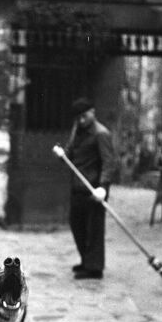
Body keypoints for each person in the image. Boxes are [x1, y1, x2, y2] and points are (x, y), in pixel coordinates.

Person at [65, 97, 116, 280]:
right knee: (76, 224)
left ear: (92, 113)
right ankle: (86, 260)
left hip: (94, 189)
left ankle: (95, 268)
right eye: (78, 118)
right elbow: (70, 153)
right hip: (78, 187)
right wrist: (62, 153)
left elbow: (109, 163)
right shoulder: (77, 130)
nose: (81, 120)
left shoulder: (101, 133)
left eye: (84, 116)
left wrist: (103, 187)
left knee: (93, 229)